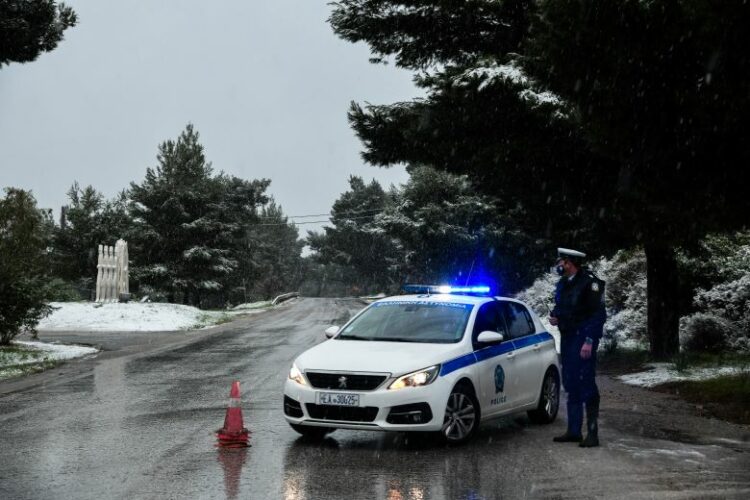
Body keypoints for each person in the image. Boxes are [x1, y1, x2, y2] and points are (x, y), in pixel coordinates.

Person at [549, 248, 606, 448]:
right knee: (570, 382)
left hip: (583, 338)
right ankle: (574, 431)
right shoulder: (563, 283)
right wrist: (556, 316)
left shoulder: (590, 284)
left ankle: (592, 434)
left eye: (561, 261)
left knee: (586, 383)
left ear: (570, 263)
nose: (559, 265)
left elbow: (598, 315)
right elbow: (563, 307)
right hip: (568, 337)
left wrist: (589, 340)